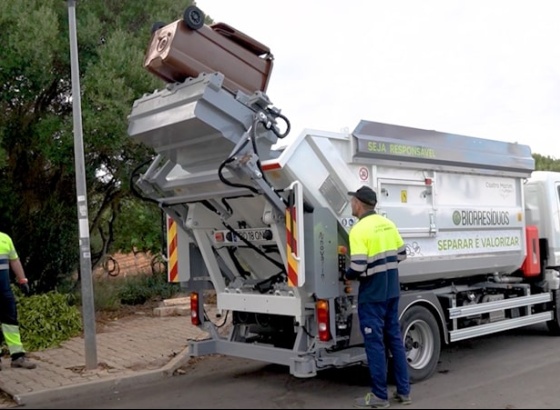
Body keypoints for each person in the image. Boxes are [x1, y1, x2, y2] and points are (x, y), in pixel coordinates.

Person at [343, 186, 410, 408]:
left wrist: (346, 274)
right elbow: (402, 254)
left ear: (359, 204)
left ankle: (380, 396)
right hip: (392, 291)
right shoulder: (388, 224)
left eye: (352, 200)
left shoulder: (359, 230)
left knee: (375, 344)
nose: (351, 204)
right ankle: (404, 392)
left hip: (372, 295)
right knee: (395, 341)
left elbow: (359, 265)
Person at [0, 231, 37, 370]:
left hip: (4, 291)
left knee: (11, 323)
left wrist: (23, 280)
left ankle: (17, 357)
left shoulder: (4, 239)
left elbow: (14, 260)